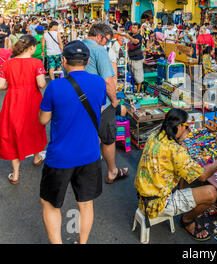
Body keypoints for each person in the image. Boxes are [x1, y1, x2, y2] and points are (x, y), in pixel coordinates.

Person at [38, 40, 106, 244]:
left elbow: (44, 119)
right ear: (87, 60)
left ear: (64, 60)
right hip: (90, 154)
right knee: (85, 204)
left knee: (50, 203)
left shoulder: (56, 86)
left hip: (60, 156)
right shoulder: (99, 82)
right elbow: (99, 110)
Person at [134, 108, 217, 241]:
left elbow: (171, 152)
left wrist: (180, 144)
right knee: (211, 192)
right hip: (158, 204)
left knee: (181, 172)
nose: (188, 130)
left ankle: (181, 198)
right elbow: (202, 176)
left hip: (143, 198)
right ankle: (187, 220)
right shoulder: (176, 152)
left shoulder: (155, 136)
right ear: (179, 126)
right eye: (187, 127)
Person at [83, 23, 128, 184]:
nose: (107, 44)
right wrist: (115, 100)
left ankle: (88, 167)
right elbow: (108, 82)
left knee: (90, 135)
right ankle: (112, 171)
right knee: (108, 138)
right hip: (101, 102)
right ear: (99, 37)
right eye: (107, 40)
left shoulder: (78, 46)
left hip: (81, 101)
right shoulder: (98, 50)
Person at [0, 35, 47, 185]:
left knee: (13, 132)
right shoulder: (36, 62)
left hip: (13, 100)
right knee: (34, 128)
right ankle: (36, 156)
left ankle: (15, 174)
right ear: (32, 47)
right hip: (32, 100)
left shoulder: (8, 63)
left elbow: (1, 85)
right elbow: (40, 84)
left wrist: (13, 84)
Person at [119, 23, 144, 93]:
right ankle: (133, 90)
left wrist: (129, 37)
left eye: (135, 28)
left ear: (138, 29)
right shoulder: (131, 34)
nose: (133, 29)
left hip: (137, 59)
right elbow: (124, 34)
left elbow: (135, 41)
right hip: (131, 58)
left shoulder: (139, 36)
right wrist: (116, 32)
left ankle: (138, 92)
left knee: (139, 77)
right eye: (132, 27)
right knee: (132, 75)